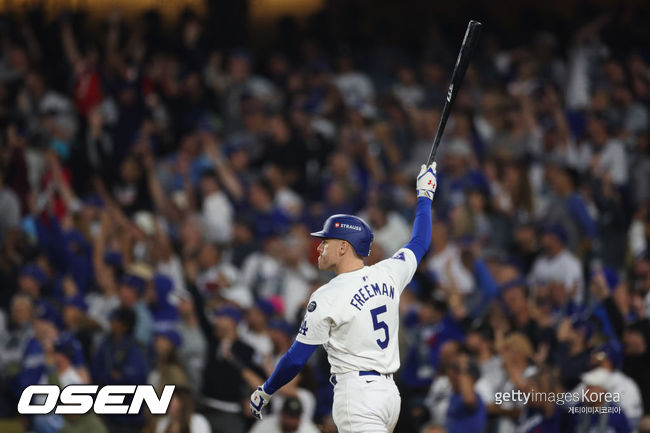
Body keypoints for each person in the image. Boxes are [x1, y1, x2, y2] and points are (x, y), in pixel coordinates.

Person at [250, 162, 438, 433]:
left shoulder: (327, 295)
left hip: (357, 395)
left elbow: (295, 359)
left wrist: (266, 391)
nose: (320, 247)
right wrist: (425, 197)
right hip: (388, 396)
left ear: (343, 247)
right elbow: (419, 242)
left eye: (326, 241)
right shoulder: (388, 272)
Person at [248, 397, 319, 433]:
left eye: (295, 417)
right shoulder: (265, 424)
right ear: (281, 414)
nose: (292, 421)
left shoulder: (308, 430)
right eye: (289, 416)